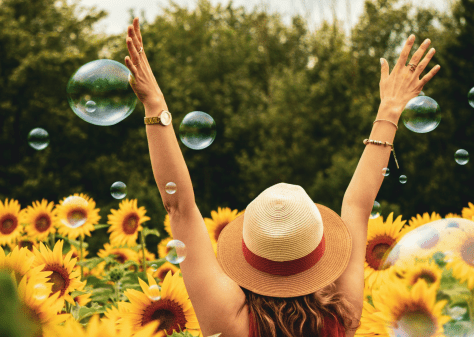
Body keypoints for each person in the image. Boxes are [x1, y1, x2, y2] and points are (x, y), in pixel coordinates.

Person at [124, 16, 439, 337]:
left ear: (250, 255)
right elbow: (358, 205)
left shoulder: (230, 322)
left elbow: (179, 207)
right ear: (320, 256)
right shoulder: (342, 316)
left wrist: (155, 104)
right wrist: (389, 109)